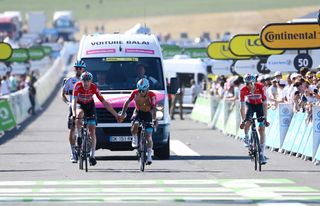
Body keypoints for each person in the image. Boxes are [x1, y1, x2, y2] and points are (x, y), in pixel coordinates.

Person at [72, 71, 121, 166]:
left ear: (91, 81)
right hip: (80, 104)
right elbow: (74, 101)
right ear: (81, 81)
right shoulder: (77, 86)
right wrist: (74, 114)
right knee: (79, 114)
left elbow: (104, 102)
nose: (86, 83)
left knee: (92, 130)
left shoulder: (94, 87)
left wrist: (115, 114)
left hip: (90, 106)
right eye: (84, 81)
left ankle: (92, 156)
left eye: (88, 81)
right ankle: (79, 136)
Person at [120, 78, 157, 165]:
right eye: (140, 90)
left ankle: (149, 156)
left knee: (149, 136)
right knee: (135, 123)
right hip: (138, 112)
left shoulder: (152, 95)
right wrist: (123, 113)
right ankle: (135, 137)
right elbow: (127, 102)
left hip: (148, 113)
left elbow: (154, 108)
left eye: (143, 90)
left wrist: (154, 119)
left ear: (147, 88)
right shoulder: (135, 92)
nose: (141, 92)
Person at [239, 74, 269, 164]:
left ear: (254, 82)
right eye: (246, 83)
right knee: (248, 121)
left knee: (261, 129)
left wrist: (265, 119)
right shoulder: (243, 90)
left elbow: (264, 104)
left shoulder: (261, 87)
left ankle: (262, 153)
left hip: (260, 106)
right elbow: (242, 107)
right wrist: (243, 120)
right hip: (250, 105)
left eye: (250, 83)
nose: (248, 86)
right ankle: (246, 137)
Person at [61, 60, 86, 163]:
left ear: (84, 69)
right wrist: (68, 103)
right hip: (73, 107)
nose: (78, 70)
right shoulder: (69, 81)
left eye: (80, 68)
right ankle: (73, 152)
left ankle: (85, 142)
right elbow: (62, 94)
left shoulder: (87, 80)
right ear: (74, 68)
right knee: (71, 130)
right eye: (77, 68)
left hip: (84, 106)